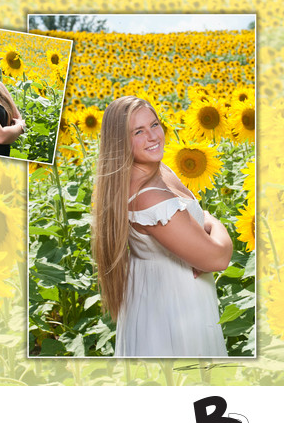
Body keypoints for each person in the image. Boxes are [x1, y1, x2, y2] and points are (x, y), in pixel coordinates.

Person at [92, 96, 232, 357]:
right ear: (120, 141)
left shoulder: (156, 169)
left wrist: (201, 226)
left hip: (162, 295)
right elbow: (219, 258)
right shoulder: (150, 197)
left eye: (154, 125)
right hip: (174, 311)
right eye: (138, 132)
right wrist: (213, 221)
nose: (153, 136)